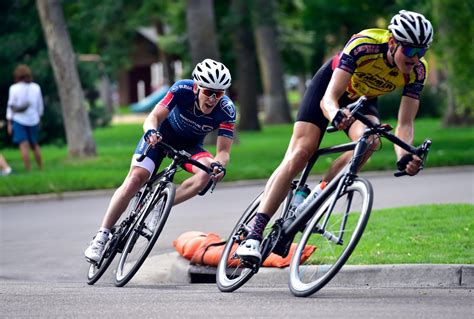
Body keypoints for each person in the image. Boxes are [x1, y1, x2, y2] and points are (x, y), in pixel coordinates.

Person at [236, 10, 434, 263]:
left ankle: (315, 197)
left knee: (371, 141)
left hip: (362, 99)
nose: (416, 59)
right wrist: (335, 114)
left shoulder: (417, 71)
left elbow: (405, 124)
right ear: (393, 42)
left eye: (422, 52)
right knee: (301, 152)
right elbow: (328, 99)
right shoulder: (365, 45)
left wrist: (405, 156)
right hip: (329, 89)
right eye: (410, 51)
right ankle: (253, 234)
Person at [85, 59, 236, 263]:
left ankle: (160, 205)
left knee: (207, 171)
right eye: (208, 92)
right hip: (160, 137)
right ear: (197, 87)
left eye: (219, 94)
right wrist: (151, 132)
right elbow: (153, 117)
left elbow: (223, 152)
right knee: (135, 180)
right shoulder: (182, 89)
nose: (212, 99)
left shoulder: (226, 110)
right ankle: (101, 236)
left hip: (189, 146)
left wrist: (220, 166)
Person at [6, 64, 44, 171]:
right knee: (34, 144)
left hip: (19, 120)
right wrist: (39, 117)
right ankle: (40, 167)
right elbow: (40, 105)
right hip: (34, 119)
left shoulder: (14, 88)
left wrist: (9, 122)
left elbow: (11, 106)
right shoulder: (36, 87)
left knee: (24, 146)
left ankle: (28, 169)